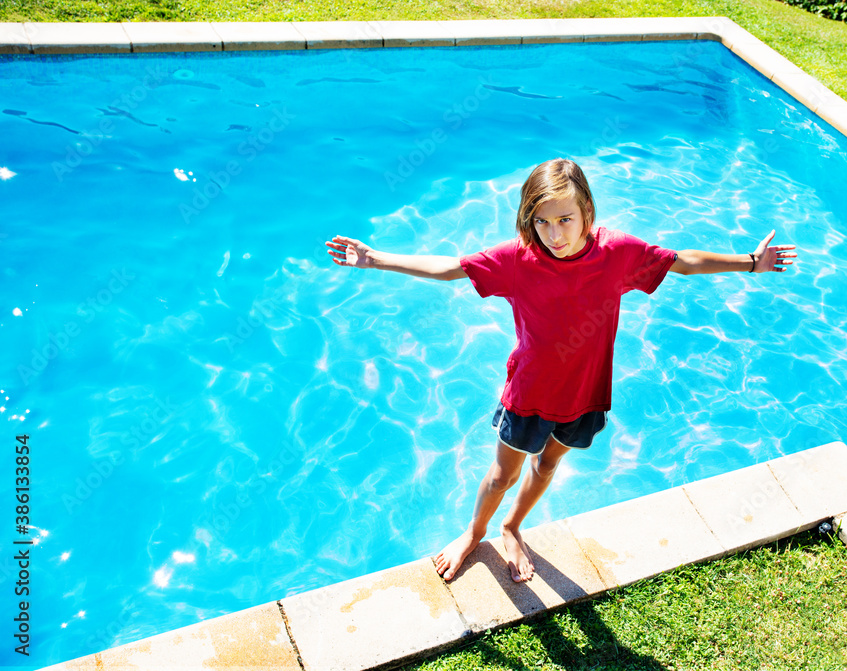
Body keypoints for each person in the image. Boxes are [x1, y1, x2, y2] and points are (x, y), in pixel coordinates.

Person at [327, 158, 796, 583]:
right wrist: (375, 258)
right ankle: (474, 533)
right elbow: (451, 268)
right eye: (543, 222)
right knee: (501, 476)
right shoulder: (517, 259)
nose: (555, 234)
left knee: (548, 463)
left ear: (587, 212)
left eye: (565, 220)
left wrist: (752, 263)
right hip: (530, 393)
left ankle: (512, 527)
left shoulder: (618, 253)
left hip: (586, 394)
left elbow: (681, 262)